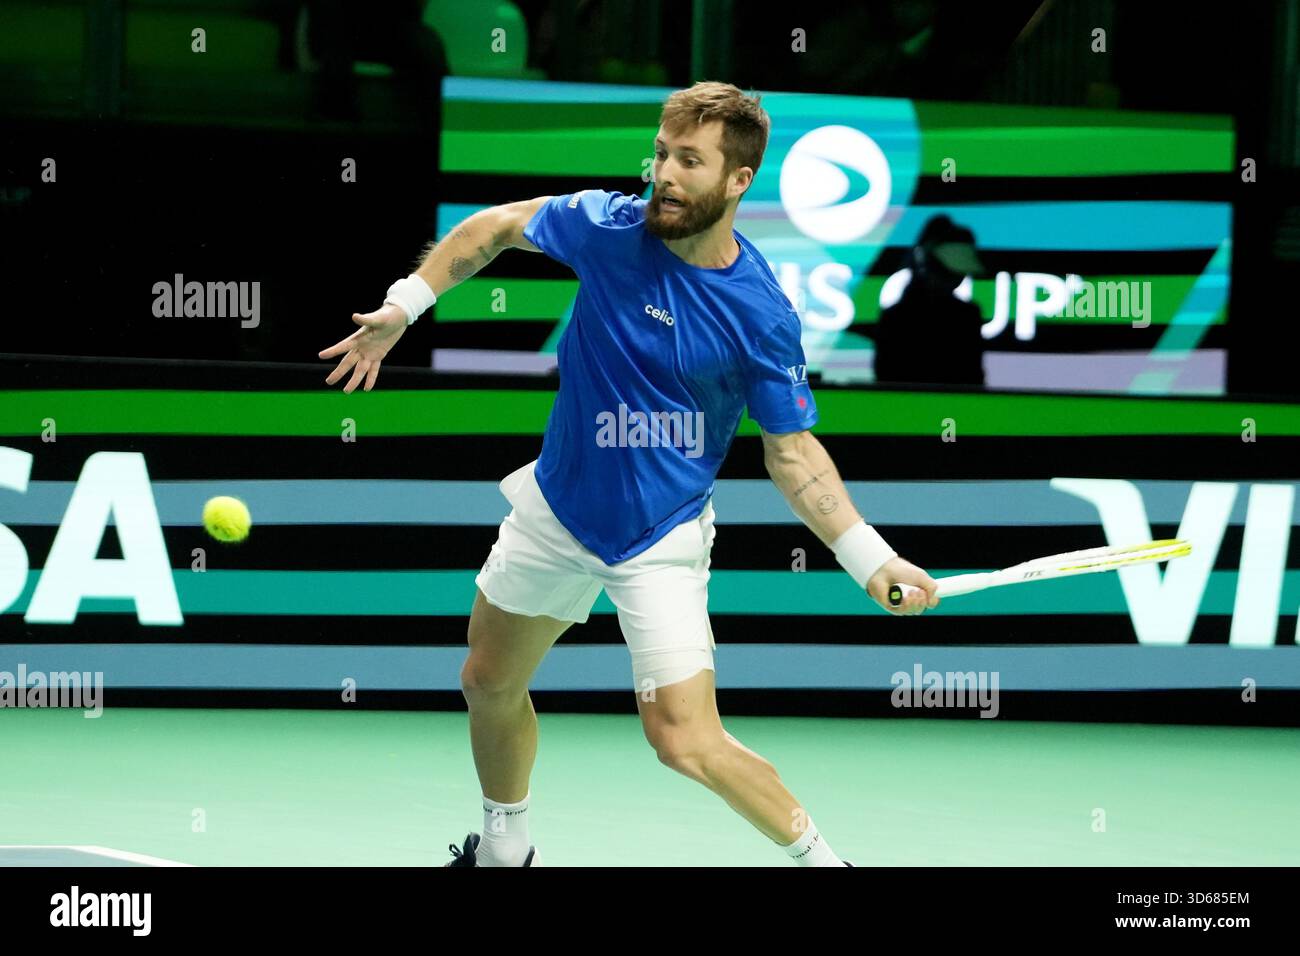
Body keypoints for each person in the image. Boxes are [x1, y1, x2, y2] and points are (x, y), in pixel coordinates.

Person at [318, 81, 940, 867]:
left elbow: (792, 453)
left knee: (684, 741)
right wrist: (406, 305)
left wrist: (869, 557)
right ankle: (506, 850)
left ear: (738, 180)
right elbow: (495, 228)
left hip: (661, 535)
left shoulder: (760, 313)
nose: (665, 175)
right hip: (557, 506)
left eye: (689, 160)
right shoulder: (607, 228)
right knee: (486, 679)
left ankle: (829, 865)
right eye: (660, 154)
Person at [873, 215, 987, 386]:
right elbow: (885, 376)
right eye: (947, 271)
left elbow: (973, 377)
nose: (957, 278)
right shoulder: (895, 318)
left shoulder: (968, 316)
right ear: (927, 265)